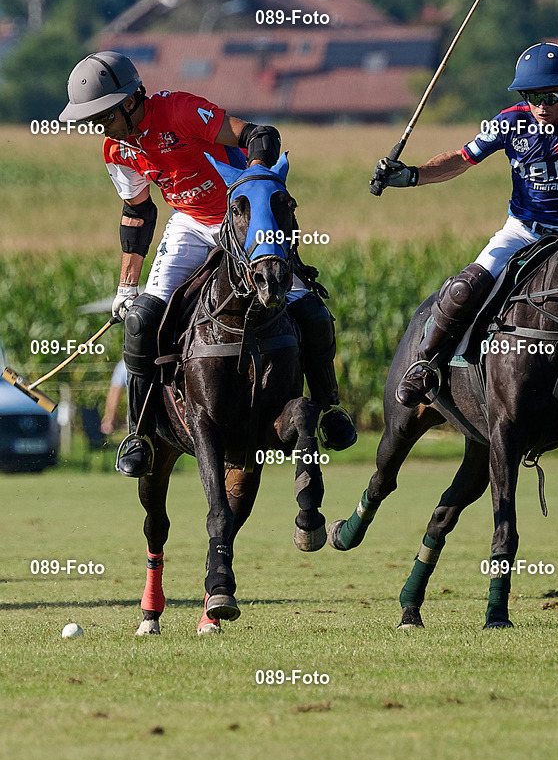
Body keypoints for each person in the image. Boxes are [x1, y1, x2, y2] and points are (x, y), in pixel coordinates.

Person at [59, 51, 356, 477]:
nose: (97, 127)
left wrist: (252, 184)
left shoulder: (179, 110)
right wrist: (127, 286)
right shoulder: (115, 149)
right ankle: (139, 433)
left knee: (310, 311)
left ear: (129, 101)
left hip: (244, 222)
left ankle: (329, 410)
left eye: (101, 116)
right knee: (142, 320)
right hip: (191, 222)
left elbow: (257, 134)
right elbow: (138, 213)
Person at [372, 42, 558, 439]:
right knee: (464, 287)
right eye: (533, 96)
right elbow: (461, 158)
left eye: (551, 96)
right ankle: (426, 364)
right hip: (523, 229)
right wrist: (412, 175)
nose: (541, 105)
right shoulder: (509, 122)